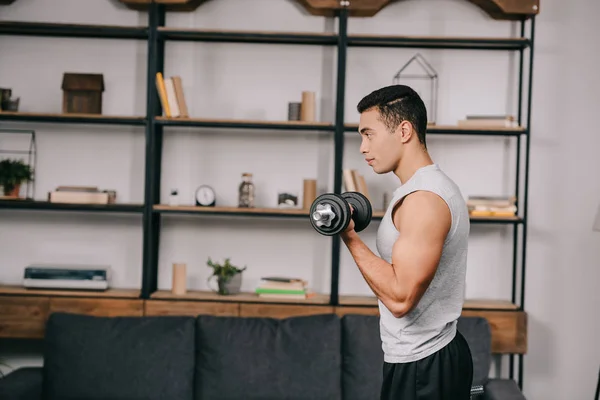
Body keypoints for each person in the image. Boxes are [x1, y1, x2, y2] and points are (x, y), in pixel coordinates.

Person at [340, 84, 474, 399]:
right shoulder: (417, 190)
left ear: (403, 131)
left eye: (368, 134)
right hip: (421, 357)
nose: (362, 146)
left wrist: (349, 237)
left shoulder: (424, 199)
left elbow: (401, 298)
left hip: (425, 364)